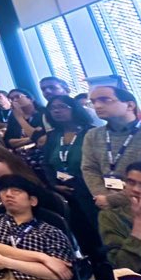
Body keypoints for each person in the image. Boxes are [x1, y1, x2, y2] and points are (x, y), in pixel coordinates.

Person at [43, 94, 99, 256]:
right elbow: (46, 163)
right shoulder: (54, 136)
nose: (57, 111)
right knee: (81, 233)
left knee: (98, 229)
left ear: (74, 108)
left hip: (89, 191)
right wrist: (54, 184)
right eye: (53, 108)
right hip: (64, 192)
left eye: (62, 107)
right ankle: (95, 267)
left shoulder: (91, 132)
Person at [82, 85, 141, 210]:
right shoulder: (92, 135)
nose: (97, 106)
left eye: (105, 100)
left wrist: (113, 200)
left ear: (130, 106)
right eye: (93, 102)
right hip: (105, 205)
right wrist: (102, 196)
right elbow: (89, 169)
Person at [99, 162, 141, 273]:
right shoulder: (111, 216)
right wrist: (140, 227)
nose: (136, 189)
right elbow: (122, 267)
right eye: (131, 182)